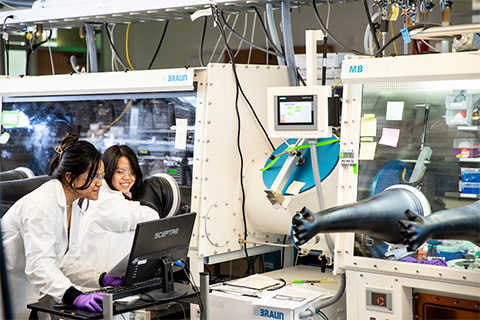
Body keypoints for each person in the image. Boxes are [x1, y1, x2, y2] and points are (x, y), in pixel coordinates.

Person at [1, 133, 123, 319]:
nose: (100, 183)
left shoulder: (74, 204)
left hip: (31, 296)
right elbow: (38, 265)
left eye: (101, 175)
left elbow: (64, 263)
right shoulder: (43, 204)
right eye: (93, 176)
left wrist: (101, 278)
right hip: (8, 294)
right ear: (70, 177)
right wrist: (74, 296)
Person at [76, 145, 159, 271]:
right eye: (120, 171)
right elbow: (150, 217)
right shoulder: (105, 201)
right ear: (108, 170)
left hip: (105, 276)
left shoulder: (105, 192)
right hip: (96, 283)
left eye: (132, 171)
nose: (127, 177)